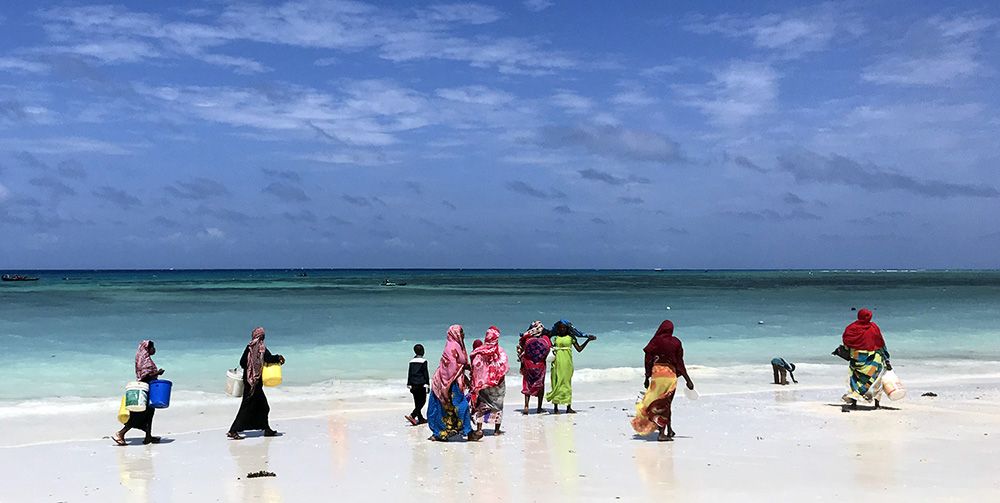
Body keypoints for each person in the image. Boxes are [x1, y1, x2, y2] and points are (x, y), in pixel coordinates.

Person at [632, 320, 694, 441]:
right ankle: (661, 434)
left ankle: (669, 430)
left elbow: (648, 359)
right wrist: (688, 380)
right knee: (666, 403)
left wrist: (647, 376)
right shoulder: (675, 342)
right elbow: (680, 362)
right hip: (669, 375)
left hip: (656, 375)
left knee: (659, 403)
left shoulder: (655, 341)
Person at [227, 327, 285, 440]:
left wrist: (250, 368)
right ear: (261, 337)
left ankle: (266, 429)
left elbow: (242, 362)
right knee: (248, 407)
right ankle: (233, 430)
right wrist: (279, 358)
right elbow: (268, 358)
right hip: (255, 383)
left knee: (262, 406)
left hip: (249, 381)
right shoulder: (261, 347)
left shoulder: (249, 347)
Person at [427, 324, 475, 441]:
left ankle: (443, 433)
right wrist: (448, 386)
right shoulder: (451, 347)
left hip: (450, 380)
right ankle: (467, 432)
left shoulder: (456, 346)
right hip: (448, 382)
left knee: (448, 407)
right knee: (460, 405)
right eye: (461, 332)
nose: (463, 334)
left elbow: (459, 365)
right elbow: (451, 368)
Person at [113, 340, 166, 446]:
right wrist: (157, 373)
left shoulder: (146, 359)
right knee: (138, 415)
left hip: (149, 390)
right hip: (143, 391)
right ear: (147, 348)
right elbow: (145, 377)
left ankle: (148, 437)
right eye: (152, 347)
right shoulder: (144, 360)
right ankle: (120, 433)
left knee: (150, 413)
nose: (154, 349)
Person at [841, 308, 890, 409]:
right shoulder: (874, 327)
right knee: (876, 381)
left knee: (855, 379)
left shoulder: (851, 328)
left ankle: (854, 403)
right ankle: (877, 404)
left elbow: (847, 343)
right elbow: (880, 344)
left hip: (856, 359)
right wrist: (886, 358)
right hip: (872, 360)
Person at [545, 319, 596, 414]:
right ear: (558, 329)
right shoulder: (555, 338)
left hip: (567, 364)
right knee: (556, 383)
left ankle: (568, 407)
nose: (562, 329)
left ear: (567, 328)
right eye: (560, 328)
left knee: (567, 384)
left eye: (564, 328)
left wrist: (588, 340)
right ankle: (555, 407)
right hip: (556, 363)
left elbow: (579, 349)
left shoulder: (571, 337)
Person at [469, 326, 509, 439]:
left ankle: (479, 428)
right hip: (498, 385)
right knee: (498, 405)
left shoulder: (479, 351)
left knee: (482, 405)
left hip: (484, 385)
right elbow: (504, 367)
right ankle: (496, 430)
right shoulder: (500, 351)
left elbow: (475, 367)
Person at [517, 320, 550, 415]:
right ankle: (539, 408)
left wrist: (521, 365)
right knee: (540, 385)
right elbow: (548, 351)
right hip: (540, 365)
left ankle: (526, 406)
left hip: (528, 364)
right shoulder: (546, 339)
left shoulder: (527, 339)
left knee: (527, 384)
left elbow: (522, 352)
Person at [405, 344, 430, 426]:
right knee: (422, 401)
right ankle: (412, 415)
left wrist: (409, 383)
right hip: (421, 384)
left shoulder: (411, 361)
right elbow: (425, 373)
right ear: (422, 351)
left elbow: (410, 373)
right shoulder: (423, 361)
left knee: (417, 402)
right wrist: (427, 384)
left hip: (413, 384)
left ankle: (420, 418)